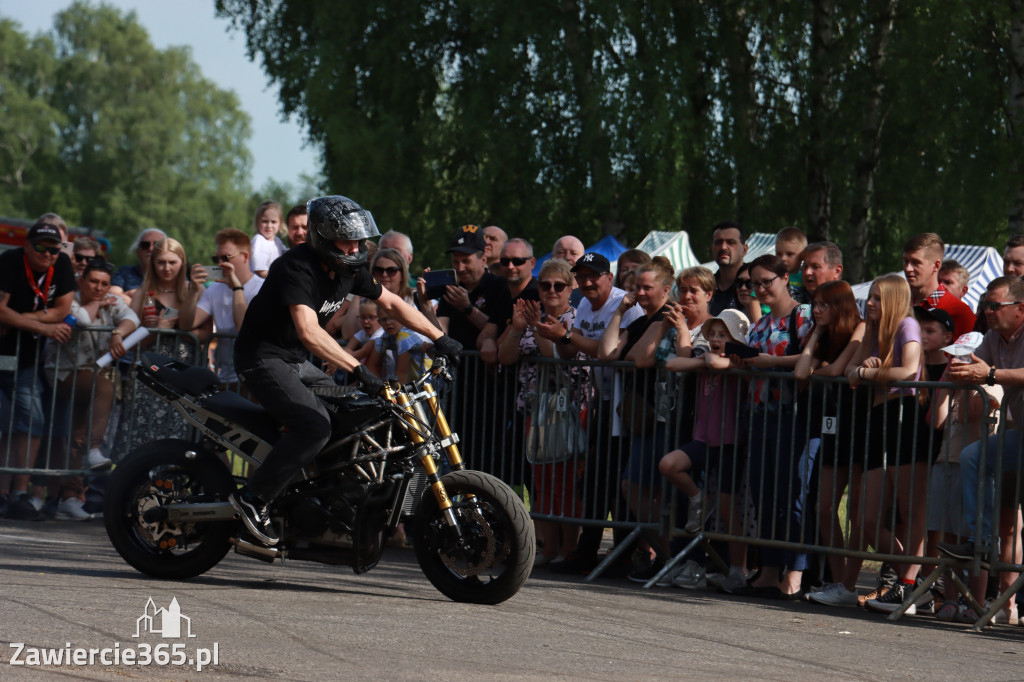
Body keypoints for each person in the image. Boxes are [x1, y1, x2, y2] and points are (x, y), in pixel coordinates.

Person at [229, 195, 460, 546]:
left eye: (358, 240)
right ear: (323, 237)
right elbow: (308, 331)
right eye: (346, 240)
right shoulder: (296, 268)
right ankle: (253, 499)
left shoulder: (349, 270)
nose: (355, 248)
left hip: (294, 360)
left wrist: (439, 337)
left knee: (348, 417)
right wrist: (359, 370)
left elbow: (394, 303)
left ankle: (318, 506)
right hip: (261, 358)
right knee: (315, 425)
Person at [536, 252, 642, 575]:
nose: (586, 282)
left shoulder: (626, 305)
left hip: (628, 402)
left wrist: (568, 337)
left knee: (616, 480)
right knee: (594, 478)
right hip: (603, 401)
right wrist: (554, 333)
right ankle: (586, 551)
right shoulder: (583, 304)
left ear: (609, 278)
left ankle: (624, 554)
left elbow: (609, 352)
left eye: (593, 276)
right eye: (581, 277)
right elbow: (569, 352)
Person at [843, 274, 929, 615]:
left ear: (893, 300)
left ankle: (909, 585)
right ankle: (909, 581)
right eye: (871, 297)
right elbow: (850, 371)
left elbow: (909, 371)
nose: (871, 302)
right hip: (879, 419)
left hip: (906, 415)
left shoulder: (907, 325)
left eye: (878, 298)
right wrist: (864, 368)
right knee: (865, 516)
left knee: (911, 510)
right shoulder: (872, 330)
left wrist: (867, 374)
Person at [498, 259, 588, 566]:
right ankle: (548, 551)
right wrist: (517, 328)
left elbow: (557, 361)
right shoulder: (528, 316)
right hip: (533, 411)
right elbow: (506, 357)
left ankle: (567, 549)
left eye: (558, 286)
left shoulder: (576, 320)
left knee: (565, 482)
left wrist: (538, 328)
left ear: (570, 289)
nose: (551, 291)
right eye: (545, 285)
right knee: (541, 482)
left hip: (567, 409)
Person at [597, 257, 677, 580]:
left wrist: (658, 324)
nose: (640, 293)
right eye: (637, 287)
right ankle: (668, 557)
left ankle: (671, 556)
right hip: (643, 419)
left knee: (643, 488)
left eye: (647, 287)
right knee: (637, 487)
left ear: (666, 289)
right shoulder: (639, 321)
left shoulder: (669, 317)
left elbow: (637, 358)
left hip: (666, 418)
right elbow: (606, 353)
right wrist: (618, 312)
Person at [660, 309, 750, 588]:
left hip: (730, 442)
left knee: (727, 508)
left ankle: (738, 569)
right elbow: (673, 364)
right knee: (669, 465)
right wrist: (703, 361)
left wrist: (710, 359)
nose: (715, 339)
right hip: (703, 439)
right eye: (712, 334)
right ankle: (698, 497)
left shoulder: (740, 360)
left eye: (723, 335)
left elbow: (721, 364)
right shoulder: (705, 360)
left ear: (735, 338)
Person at [740, 254, 812, 599]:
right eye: (755, 283)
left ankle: (794, 574)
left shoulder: (804, 316)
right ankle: (768, 570)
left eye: (767, 280)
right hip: (758, 416)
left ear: (786, 277)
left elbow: (815, 357)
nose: (761, 288)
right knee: (763, 495)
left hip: (792, 416)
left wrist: (773, 362)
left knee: (791, 495)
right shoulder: (760, 324)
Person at [44, 259, 138, 519]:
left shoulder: (112, 301)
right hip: (63, 372)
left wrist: (118, 333)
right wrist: (97, 302)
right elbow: (82, 319)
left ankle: (69, 497)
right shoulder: (70, 299)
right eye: (93, 282)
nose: (99, 288)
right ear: (81, 281)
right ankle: (94, 449)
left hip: (90, 370)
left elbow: (133, 318)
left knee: (77, 435)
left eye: (105, 284)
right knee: (105, 386)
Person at [942, 277, 1024, 563]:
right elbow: (974, 369)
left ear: (1020, 309)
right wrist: (958, 370)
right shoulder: (991, 338)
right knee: (974, 456)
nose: (987, 310)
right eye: (984, 305)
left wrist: (989, 374)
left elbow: (990, 373)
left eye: (994, 305)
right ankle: (983, 542)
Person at [795, 281, 866, 607]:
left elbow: (837, 369)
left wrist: (821, 368)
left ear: (839, 306)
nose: (817, 310)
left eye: (824, 304)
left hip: (860, 428)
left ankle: (904, 574)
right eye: (814, 304)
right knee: (823, 507)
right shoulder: (820, 334)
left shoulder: (861, 327)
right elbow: (800, 372)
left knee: (862, 516)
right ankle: (841, 584)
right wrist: (814, 339)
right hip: (831, 430)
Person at [0, 221, 76, 520]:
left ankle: (19, 493)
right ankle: (2, 492)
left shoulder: (63, 264)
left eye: (53, 249)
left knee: (32, 421)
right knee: (3, 422)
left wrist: (16, 319)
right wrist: (42, 327)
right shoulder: (9, 260)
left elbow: (62, 311)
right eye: (41, 247)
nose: (47, 254)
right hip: (3, 354)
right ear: (27, 245)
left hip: (28, 358)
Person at [116, 238, 202, 458]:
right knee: (141, 434)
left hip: (181, 374)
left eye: (172, 262)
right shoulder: (144, 292)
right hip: (148, 373)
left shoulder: (193, 290)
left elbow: (205, 333)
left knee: (176, 434)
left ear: (182, 262)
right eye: (161, 262)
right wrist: (154, 331)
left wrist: (181, 329)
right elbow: (134, 338)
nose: (167, 268)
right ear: (152, 263)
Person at [178, 228, 264, 385]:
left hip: (256, 378)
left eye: (225, 258)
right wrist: (193, 291)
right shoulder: (215, 289)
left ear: (245, 257)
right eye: (216, 259)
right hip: (225, 378)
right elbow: (186, 324)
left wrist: (237, 287)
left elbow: (242, 327)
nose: (219, 264)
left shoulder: (261, 288)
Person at [902, 232, 976, 338]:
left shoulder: (960, 313)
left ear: (936, 265)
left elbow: (966, 354)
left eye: (916, 262)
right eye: (905, 261)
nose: (908, 268)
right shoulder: (898, 304)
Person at [367, 309, 433, 384]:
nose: (388, 322)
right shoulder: (386, 336)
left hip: (428, 385)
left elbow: (402, 374)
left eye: (392, 318)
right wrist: (380, 387)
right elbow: (371, 366)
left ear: (402, 317)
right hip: (415, 385)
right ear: (379, 322)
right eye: (383, 319)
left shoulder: (404, 336)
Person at [110, 228, 167, 301]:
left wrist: (132, 295)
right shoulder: (124, 272)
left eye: (157, 245)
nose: (150, 248)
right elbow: (112, 295)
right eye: (145, 245)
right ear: (138, 251)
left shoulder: (173, 275)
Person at [709, 221, 748, 316]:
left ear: (744, 250)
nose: (723, 247)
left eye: (731, 242)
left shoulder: (755, 285)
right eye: (718, 242)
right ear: (712, 248)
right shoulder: (705, 286)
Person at [250, 200, 287, 278]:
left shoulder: (277, 241)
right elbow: (260, 270)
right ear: (257, 222)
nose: (269, 226)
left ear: (280, 224)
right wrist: (278, 278)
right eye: (265, 221)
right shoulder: (258, 241)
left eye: (273, 222)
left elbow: (287, 255)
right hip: (259, 286)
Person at [775, 226, 809, 301]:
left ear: (802, 256)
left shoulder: (806, 277)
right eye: (779, 254)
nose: (783, 258)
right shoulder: (771, 275)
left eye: (789, 254)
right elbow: (754, 298)